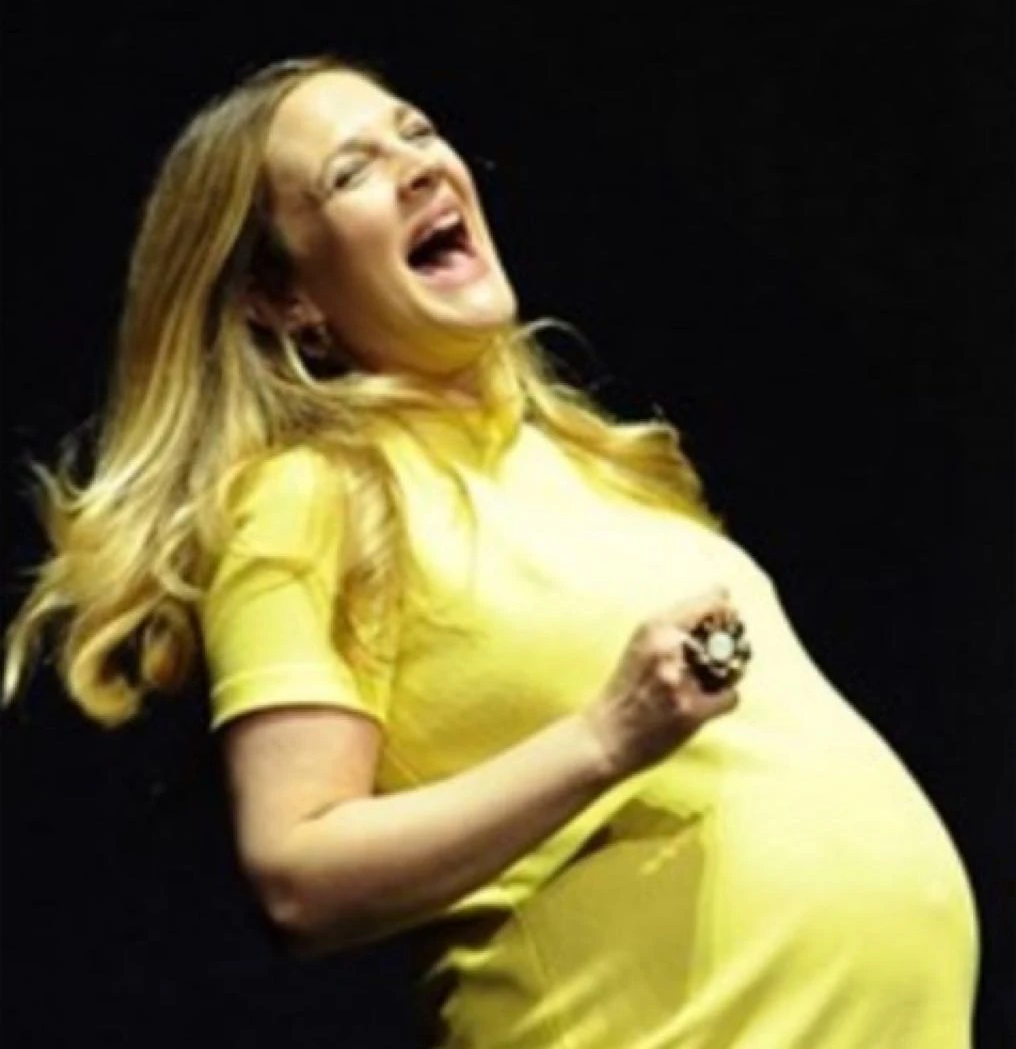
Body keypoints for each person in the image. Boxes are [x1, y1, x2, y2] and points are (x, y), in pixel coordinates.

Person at [3, 55, 980, 1047]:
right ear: (281, 297)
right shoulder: (311, 495)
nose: (417, 167)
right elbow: (297, 877)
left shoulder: (594, 464)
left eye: (417, 132)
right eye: (351, 172)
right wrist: (605, 738)